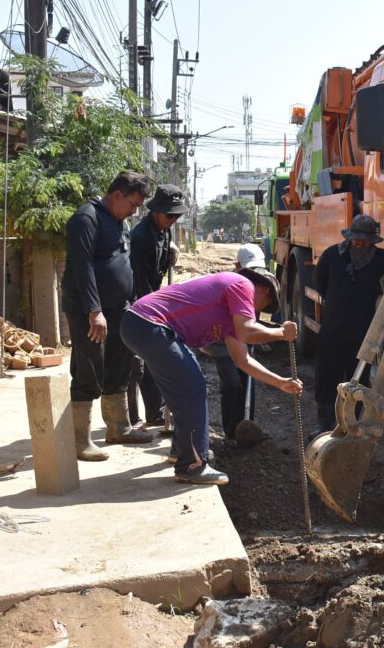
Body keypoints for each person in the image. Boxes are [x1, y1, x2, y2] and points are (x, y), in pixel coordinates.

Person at [120, 269, 303, 485]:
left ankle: (182, 450)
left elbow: (242, 361)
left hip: (146, 326)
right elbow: (248, 332)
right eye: (262, 307)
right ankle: (192, 466)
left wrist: (280, 382)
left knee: (189, 385)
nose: (255, 312)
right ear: (263, 290)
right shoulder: (242, 284)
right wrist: (281, 333)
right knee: (192, 388)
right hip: (149, 323)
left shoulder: (230, 316)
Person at [62, 171, 154, 461]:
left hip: (119, 309)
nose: (135, 211)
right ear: (117, 195)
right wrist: (94, 310)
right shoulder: (85, 219)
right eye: (133, 204)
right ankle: (81, 441)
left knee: (120, 365)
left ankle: (118, 427)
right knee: (89, 366)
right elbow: (82, 267)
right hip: (90, 311)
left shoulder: (119, 222)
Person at [313, 214, 384, 433]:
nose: (358, 242)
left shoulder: (383, 259)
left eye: (363, 239)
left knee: (358, 378)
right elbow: (320, 283)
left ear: (371, 240)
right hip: (333, 328)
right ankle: (324, 422)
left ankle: (354, 425)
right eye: (356, 238)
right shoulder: (332, 255)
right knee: (327, 373)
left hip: (363, 332)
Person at [127, 185, 187, 430]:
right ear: (156, 212)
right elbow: (139, 279)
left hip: (152, 300)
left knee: (154, 358)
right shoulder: (140, 238)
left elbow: (157, 275)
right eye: (169, 216)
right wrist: (152, 311)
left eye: (176, 216)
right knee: (134, 364)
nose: (173, 220)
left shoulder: (164, 232)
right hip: (135, 304)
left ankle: (155, 412)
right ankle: (131, 419)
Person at [199, 243, 266, 441]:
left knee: (248, 382)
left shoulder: (261, 285)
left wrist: (251, 341)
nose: (254, 273)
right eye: (249, 269)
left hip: (240, 340)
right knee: (232, 383)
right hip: (219, 342)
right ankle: (230, 432)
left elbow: (253, 320)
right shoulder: (231, 286)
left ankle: (247, 429)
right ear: (238, 265)